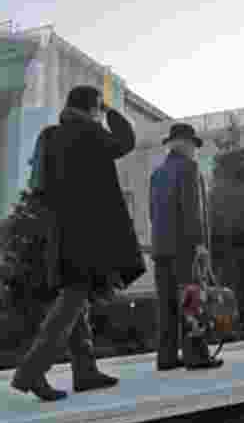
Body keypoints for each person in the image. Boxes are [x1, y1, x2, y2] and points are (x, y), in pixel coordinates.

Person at [11, 86, 146, 401]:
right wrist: (112, 110)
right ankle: (31, 372)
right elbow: (126, 141)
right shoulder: (91, 133)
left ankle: (84, 371)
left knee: (76, 299)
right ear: (92, 108)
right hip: (87, 233)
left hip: (59, 231)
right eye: (98, 109)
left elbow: (39, 188)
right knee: (72, 301)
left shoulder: (49, 136)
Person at [149, 123, 224, 371]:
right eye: (194, 145)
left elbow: (152, 213)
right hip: (185, 248)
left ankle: (166, 357)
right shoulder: (189, 168)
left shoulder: (157, 174)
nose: (195, 151)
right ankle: (196, 356)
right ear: (186, 144)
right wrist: (199, 243)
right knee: (192, 301)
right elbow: (193, 211)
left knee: (167, 304)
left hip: (161, 248)